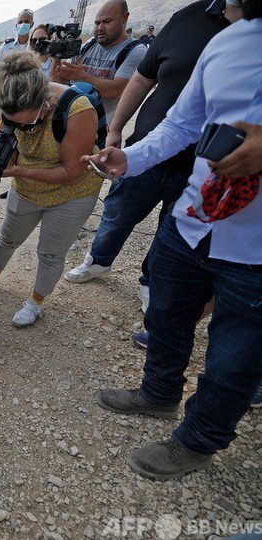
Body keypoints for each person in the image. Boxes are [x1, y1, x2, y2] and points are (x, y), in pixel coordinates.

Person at [89, 0, 262, 479]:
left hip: (255, 246)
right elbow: (183, 123)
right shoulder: (227, 43)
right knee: (165, 314)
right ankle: (159, 393)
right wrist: (131, 158)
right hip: (193, 218)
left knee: (235, 356)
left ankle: (198, 441)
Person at [64, 0, 242, 314]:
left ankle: (150, 282)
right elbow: (145, 81)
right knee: (117, 213)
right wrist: (118, 132)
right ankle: (98, 261)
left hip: (204, 169)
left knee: (169, 231)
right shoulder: (188, 18)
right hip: (149, 149)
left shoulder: (247, 37)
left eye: (108, 20)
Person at [0, 51, 103, 327]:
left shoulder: (78, 111)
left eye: (27, 123)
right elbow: (12, 144)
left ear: (45, 103)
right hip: (27, 189)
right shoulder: (10, 104)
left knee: (50, 253)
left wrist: (20, 171)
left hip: (72, 194)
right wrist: (1, 152)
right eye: (14, 122)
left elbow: (71, 173)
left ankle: (36, 302)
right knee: (7, 239)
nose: (21, 127)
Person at [54, 0, 146, 123]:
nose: (100, 28)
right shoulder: (90, 44)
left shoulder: (135, 50)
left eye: (107, 21)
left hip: (101, 126)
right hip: (70, 120)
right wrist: (56, 56)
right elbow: (60, 80)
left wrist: (83, 77)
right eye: (97, 23)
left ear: (124, 18)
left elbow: (117, 90)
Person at [0, 8, 34, 85]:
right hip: (10, 90)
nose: (23, 24)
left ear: (32, 24)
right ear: (16, 26)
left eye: (26, 21)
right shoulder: (7, 46)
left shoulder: (35, 46)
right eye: (20, 22)